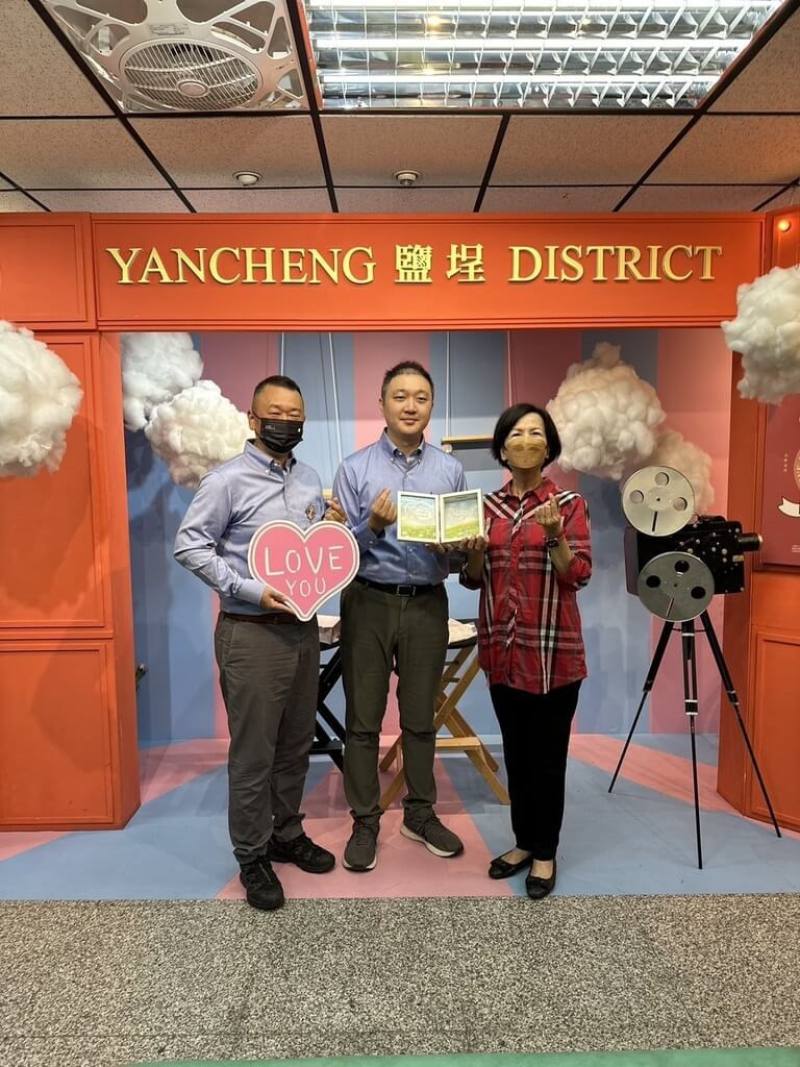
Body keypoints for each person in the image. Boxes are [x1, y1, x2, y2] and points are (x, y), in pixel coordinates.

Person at [174, 374, 345, 912]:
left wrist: (333, 531)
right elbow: (190, 546)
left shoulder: (310, 478)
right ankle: (251, 853)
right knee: (253, 754)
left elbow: (310, 554)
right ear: (253, 419)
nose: (286, 422)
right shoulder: (225, 481)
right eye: (275, 412)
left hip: (302, 632)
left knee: (296, 743)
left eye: (295, 414)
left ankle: (285, 833)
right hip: (250, 633)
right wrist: (247, 588)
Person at [332, 360, 467, 872]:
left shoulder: (449, 470)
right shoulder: (355, 468)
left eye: (421, 397)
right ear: (382, 403)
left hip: (428, 602)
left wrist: (461, 548)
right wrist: (371, 525)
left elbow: (455, 555)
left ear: (431, 405)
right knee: (362, 721)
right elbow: (337, 552)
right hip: (367, 601)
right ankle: (365, 820)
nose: (411, 406)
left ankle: (420, 813)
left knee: (419, 720)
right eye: (400, 396)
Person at [461, 403, 591, 899]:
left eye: (536, 433)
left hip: (554, 653)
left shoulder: (570, 503)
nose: (526, 442)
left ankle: (545, 852)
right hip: (503, 650)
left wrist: (556, 536)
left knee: (548, 758)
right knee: (515, 753)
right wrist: (474, 552)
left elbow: (577, 575)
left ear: (549, 446)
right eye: (516, 434)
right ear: (502, 447)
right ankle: (521, 841)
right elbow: (474, 578)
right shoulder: (486, 509)